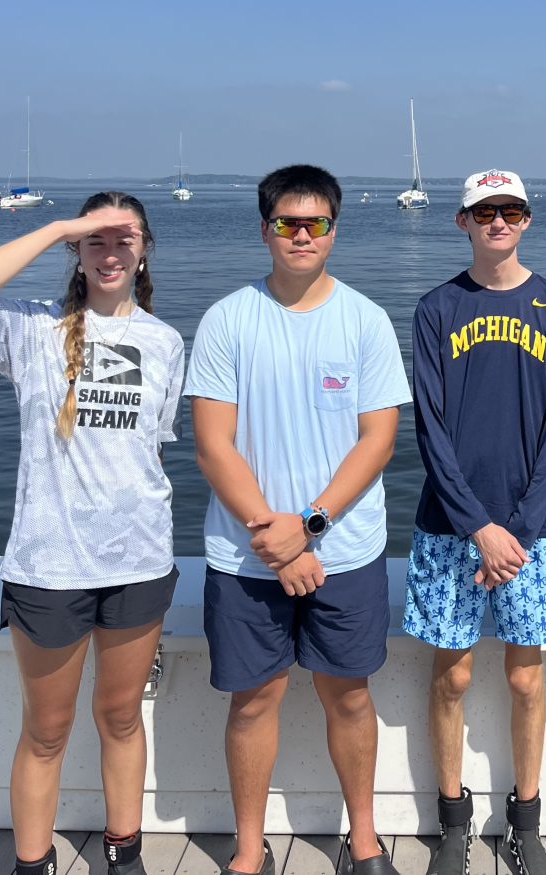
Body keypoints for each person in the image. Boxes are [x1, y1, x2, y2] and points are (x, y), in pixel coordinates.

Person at [185, 164, 411, 875]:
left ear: (334, 231)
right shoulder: (227, 319)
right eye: (288, 222)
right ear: (265, 230)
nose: (302, 235)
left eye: (316, 223)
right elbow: (212, 444)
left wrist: (308, 526)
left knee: (350, 696)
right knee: (254, 701)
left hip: (345, 552)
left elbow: (378, 440)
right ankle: (250, 849)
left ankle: (363, 839)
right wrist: (276, 539)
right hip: (245, 556)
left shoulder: (366, 320)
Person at [0, 192, 185, 875]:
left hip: (139, 563)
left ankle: (124, 855)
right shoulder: (34, 329)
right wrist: (60, 224)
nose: (110, 253)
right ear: (76, 252)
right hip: (48, 567)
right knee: (47, 731)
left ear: (144, 250)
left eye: (123, 239)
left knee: (121, 718)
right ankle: (33, 862)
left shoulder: (166, 342)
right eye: (94, 241)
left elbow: (151, 451)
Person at [404, 169, 546, 875]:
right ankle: (453, 819)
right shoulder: (436, 308)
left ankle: (525, 822)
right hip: (451, 527)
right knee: (451, 677)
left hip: (531, 532)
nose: (497, 221)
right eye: (484, 212)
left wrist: (519, 529)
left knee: (527, 680)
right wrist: (479, 526)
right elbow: (430, 428)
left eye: (510, 210)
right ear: (463, 222)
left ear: (527, 219)